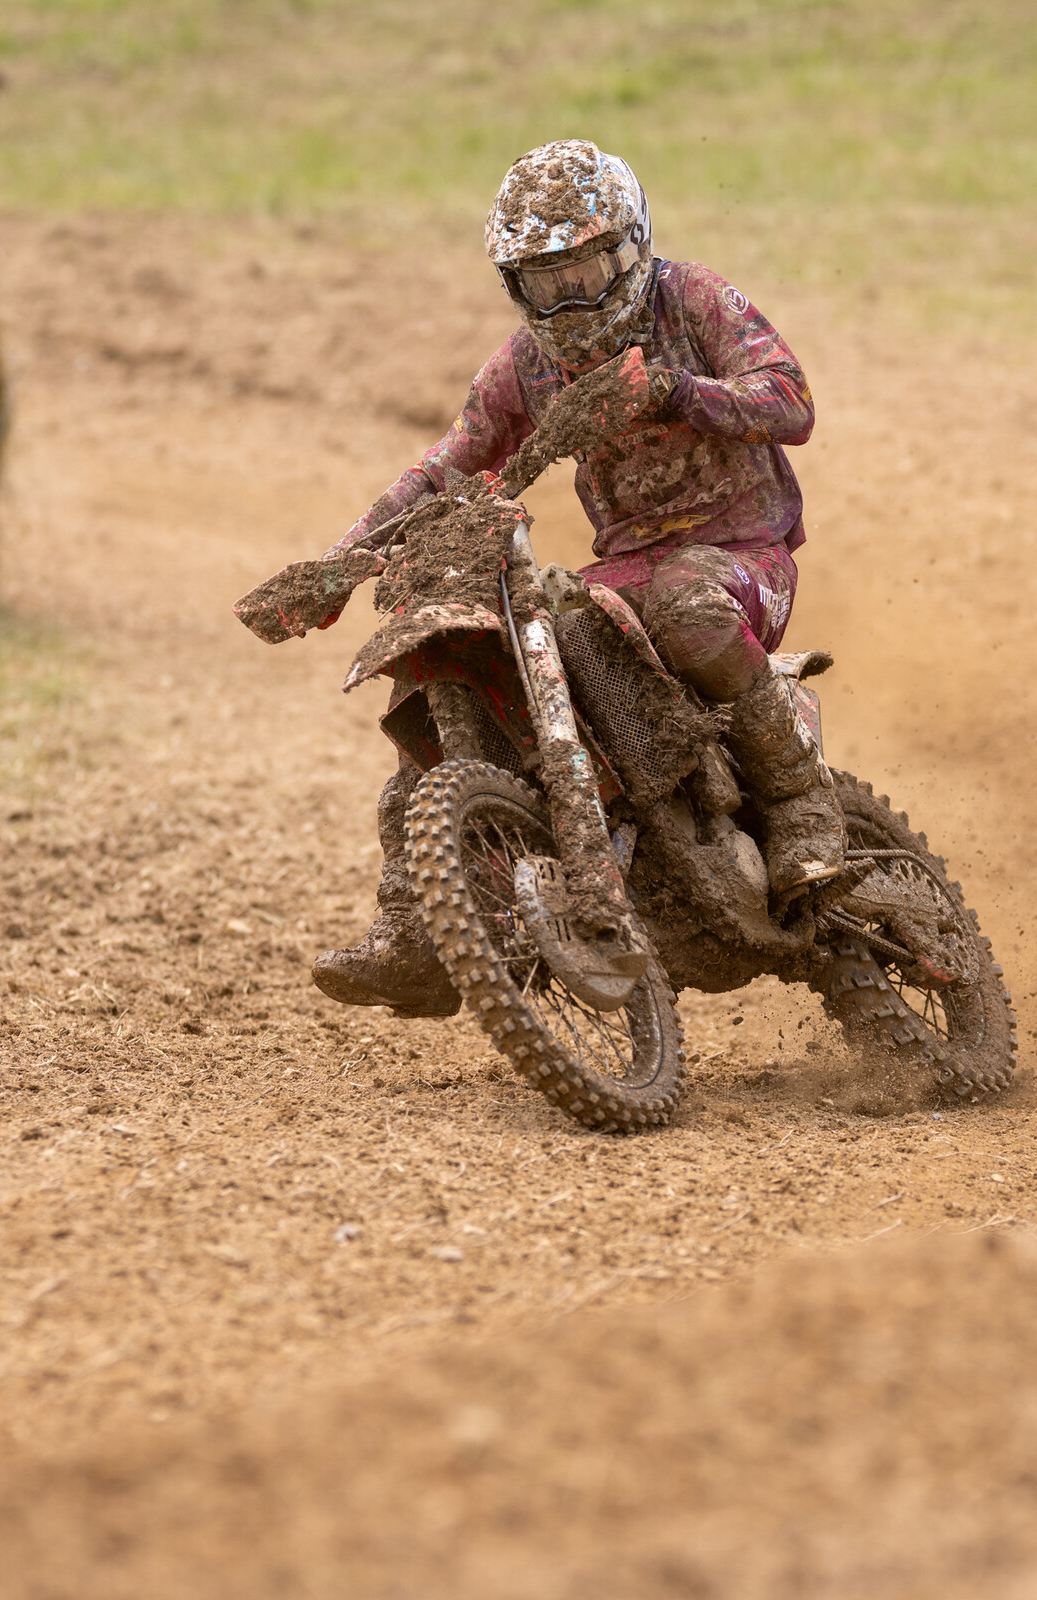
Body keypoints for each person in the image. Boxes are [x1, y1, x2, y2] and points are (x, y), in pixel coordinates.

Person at [314, 138, 840, 1017]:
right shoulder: (525, 365)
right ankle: (414, 923)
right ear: (515, 288)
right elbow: (448, 466)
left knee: (686, 608)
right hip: (624, 565)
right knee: (494, 671)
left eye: (587, 274)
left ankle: (800, 804)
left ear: (631, 248)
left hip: (743, 549)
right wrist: (336, 564)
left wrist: (675, 390)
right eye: (542, 284)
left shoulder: (694, 300)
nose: (568, 302)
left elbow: (791, 400)